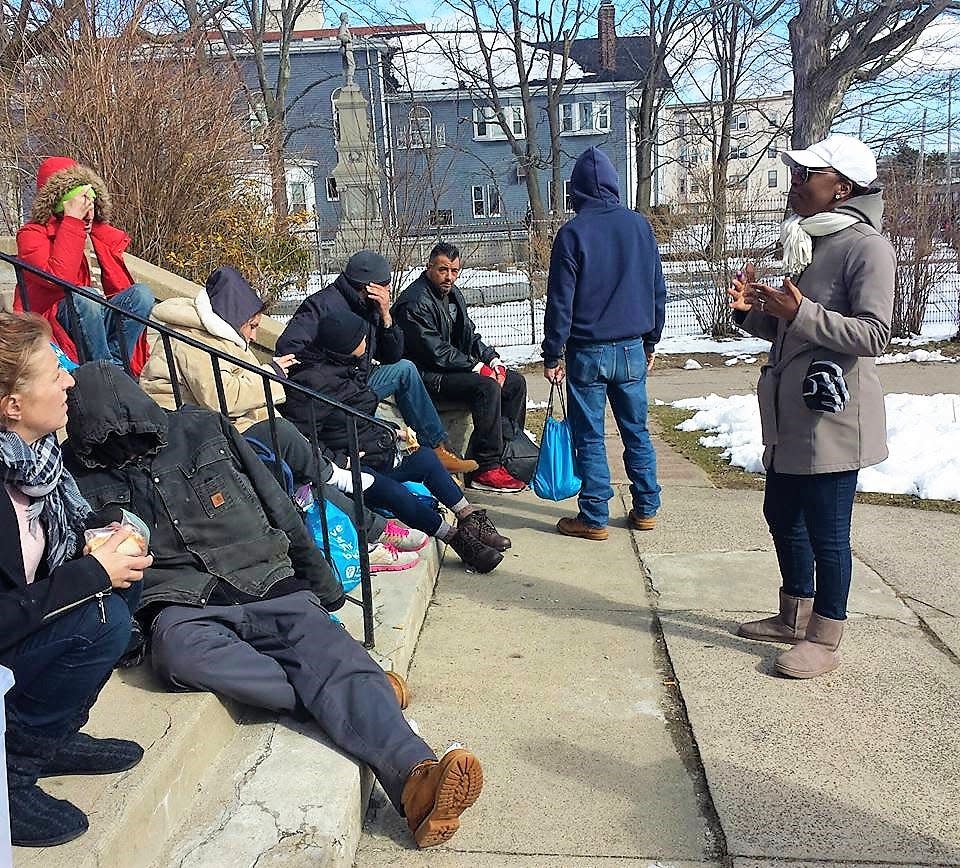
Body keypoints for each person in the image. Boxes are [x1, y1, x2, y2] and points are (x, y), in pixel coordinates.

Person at [63, 361, 484, 848]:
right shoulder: (75, 473)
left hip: (265, 577)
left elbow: (275, 501)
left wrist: (319, 583)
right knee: (181, 655)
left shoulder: (201, 427)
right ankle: (365, 691)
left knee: (319, 643)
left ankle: (417, 780)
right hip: (179, 600)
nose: (120, 445)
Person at [729, 134, 895, 680]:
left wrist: (800, 312)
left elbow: (874, 334)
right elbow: (790, 327)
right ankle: (792, 614)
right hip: (789, 416)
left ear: (841, 187)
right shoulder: (809, 241)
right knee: (781, 514)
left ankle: (825, 636)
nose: (795, 185)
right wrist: (751, 312)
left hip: (832, 417)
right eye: (796, 175)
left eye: (806, 177)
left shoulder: (866, 247)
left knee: (828, 531)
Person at [139, 266, 421, 572]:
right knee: (284, 434)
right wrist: (271, 375)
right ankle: (345, 494)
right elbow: (224, 397)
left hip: (221, 429)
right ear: (233, 319)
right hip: (193, 440)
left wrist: (268, 375)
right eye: (252, 326)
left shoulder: (218, 337)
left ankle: (368, 536)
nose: (256, 334)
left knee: (304, 472)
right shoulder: (191, 342)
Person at [0, 313, 153, 847]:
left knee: (123, 577)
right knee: (101, 618)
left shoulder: (35, 462)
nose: (69, 379)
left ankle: (52, 733)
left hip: (17, 630)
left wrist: (103, 535)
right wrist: (90, 572)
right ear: (12, 405)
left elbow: (49, 544)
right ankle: (12, 771)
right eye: (54, 372)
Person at [281, 310, 511, 573]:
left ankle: (468, 516)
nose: (368, 345)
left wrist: (391, 431)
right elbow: (301, 436)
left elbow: (360, 415)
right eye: (363, 339)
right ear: (345, 342)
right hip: (347, 469)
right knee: (393, 491)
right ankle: (455, 538)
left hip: (375, 451)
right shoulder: (311, 386)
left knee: (425, 458)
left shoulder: (345, 370)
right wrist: (340, 461)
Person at [542, 147, 666, 540]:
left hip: (587, 351)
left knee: (590, 435)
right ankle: (646, 508)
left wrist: (552, 352)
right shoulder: (640, 226)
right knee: (637, 431)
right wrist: (651, 341)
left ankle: (594, 516)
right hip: (631, 347)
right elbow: (656, 288)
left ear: (575, 191)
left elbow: (560, 299)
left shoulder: (572, 233)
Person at [277, 250, 478, 475]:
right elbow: (289, 349)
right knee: (376, 428)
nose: (389, 291)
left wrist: (386, 316)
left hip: (362, 377)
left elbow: (391, 356)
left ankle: (436, 446)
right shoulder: (321, 305)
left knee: (405, 369)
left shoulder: (371, 306)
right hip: (336, 388)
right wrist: (332, 371)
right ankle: (399, 466)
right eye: (386, 285)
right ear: (369, 287)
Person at [392, 242, 529, 493]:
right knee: (486, 387)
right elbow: (435, 351)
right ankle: (486, 469)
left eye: (454, 271)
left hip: (449, 369)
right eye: (443, 270)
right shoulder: (415, 302)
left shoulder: (453, 294)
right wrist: (478, 368)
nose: (449, 277)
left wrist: (492, 360)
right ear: (429, 267)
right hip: (426, 377)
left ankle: (506, 451)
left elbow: (469, 336)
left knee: (514, 382)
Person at [15, 156, 155, 374]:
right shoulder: (32, 235)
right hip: (58, 320)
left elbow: (119, 292)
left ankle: (116, 369)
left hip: (97, 318)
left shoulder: (101, 239)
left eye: (91, 205)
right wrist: (72, 222)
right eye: (81, 206)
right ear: (60, 206)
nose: (88, 215)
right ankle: (108, 375)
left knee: (141, 294)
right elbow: (58, 280)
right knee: (84, 296)